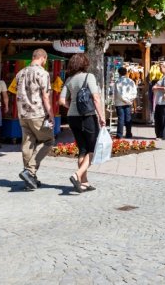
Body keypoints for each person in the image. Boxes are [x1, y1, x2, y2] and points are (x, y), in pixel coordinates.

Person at [59, 53, 105, 193]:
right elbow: (96, 98)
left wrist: (72, 106)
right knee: (93, 150)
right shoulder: (88, 77)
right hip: (87, 116)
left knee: (82, 149)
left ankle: (83, 182)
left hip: (72, 117)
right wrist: (102, 116)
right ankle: (77, 175)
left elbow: (61, 100)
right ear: (84, 64)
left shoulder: (69, 80)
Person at [14, 48, 55, 190]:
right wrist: (51, 113)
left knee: (27, 145)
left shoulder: (20, 73)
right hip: (37, 113)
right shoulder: (42, 73)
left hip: (23, 113)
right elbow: (45, 95)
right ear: (43, 58)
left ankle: (30, 179)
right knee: (49, 140)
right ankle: (30, 171)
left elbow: (15, 93)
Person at [113, 66, 136, 139]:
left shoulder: (117, 82)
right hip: (128, 102)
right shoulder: (131, 81)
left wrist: (124, 100)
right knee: (128, 118)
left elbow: (119, 94)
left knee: (121, 119)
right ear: (126, 73)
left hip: (120, 103)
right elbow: (134, 92)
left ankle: (119, 135)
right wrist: (129, 100)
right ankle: (128, 133)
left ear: (119, 73)